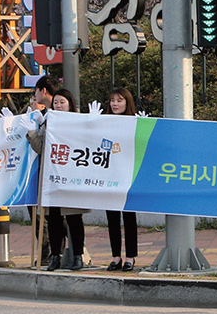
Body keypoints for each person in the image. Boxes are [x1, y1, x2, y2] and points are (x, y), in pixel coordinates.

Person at [29, 88, 89, 271]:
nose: (59, 106)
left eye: (62, 102)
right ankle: (55, 256)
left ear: (70, 104)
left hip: (72, 177)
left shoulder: (78, 122)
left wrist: (93, 123)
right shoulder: (48, 122)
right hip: (52, 177)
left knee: (74, 218)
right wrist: (33, 131)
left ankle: (77, 256)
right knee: (53, 218)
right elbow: (40, 148)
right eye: (56, 102)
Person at [103, 86, 141, 271]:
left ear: (127, 102)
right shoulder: (104, 122)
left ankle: (130, 257)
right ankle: (116, 256)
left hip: (128, 177)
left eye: (119, 100)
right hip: (109, 176)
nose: (115, 104)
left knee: (129, 218)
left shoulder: (135, 122)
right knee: (112, 219)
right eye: (112, 100)